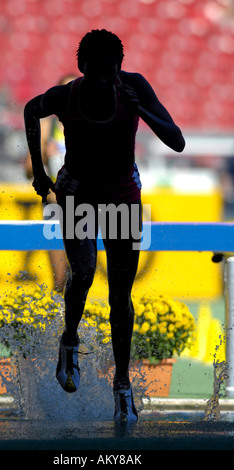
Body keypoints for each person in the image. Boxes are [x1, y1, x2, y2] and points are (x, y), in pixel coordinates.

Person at [24, 29, 185, 422]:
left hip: (122, 196)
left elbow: (177, 141)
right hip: (77, 194)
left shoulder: (133, 87)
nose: (102, 81)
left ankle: (123, 386)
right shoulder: (66, 96)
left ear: (119, 69)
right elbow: (30, 109)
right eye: (96, 73)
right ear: (82, 69)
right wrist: (40, 174)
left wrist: (141, 108)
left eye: (109, 73)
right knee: (81, 273)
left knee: (119, 296)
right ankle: (69, 341)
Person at [24, 74, 77, 293]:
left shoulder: (93, 122)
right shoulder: (49, 125)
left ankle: (77, 324)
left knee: (82, 273)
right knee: (61, 277)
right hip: (57, 205)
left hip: (87, 204)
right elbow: (29, 169)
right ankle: (59, 324)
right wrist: (43, 155)